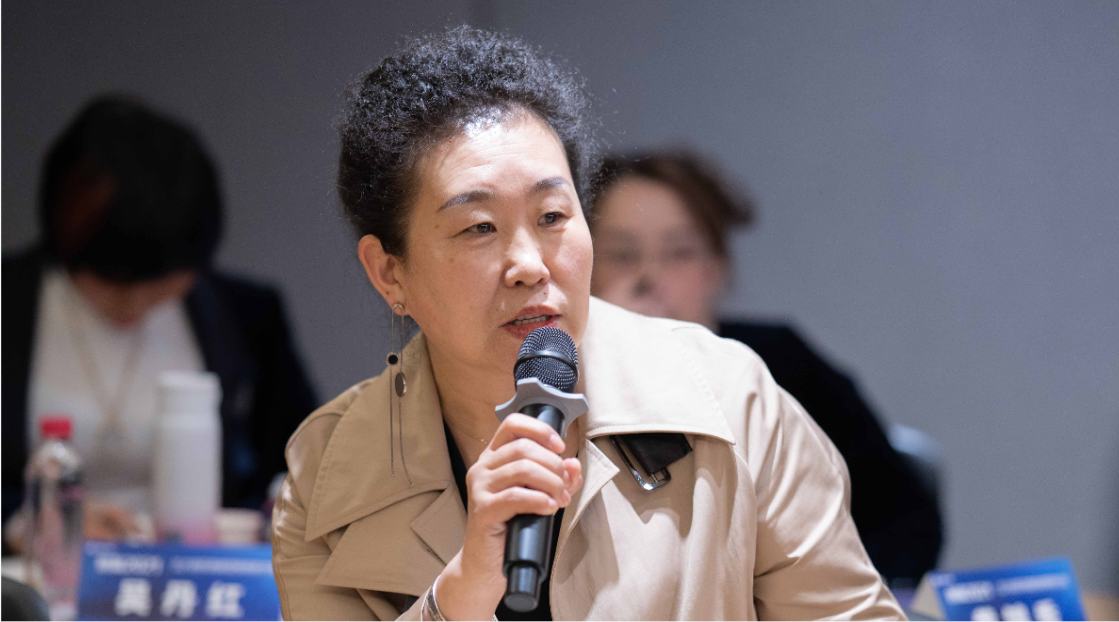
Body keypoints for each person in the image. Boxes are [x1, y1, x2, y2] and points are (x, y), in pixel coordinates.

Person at [271, 26, 904, 620]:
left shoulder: (732, 401)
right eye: (479, 228)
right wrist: (460, 593)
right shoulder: (328, 471)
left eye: (552, 216)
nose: (529, 264)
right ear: (390, 273)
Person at [590, 150, 943, 584]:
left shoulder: (781, 365)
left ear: (717, 268)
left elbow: (901, 518)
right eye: (623, 255)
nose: (650, 276)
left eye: (679, 253)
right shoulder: (562, 381)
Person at [2, 96, 318, 544]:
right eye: (114, 285)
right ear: (66, 239)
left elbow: (305, 459)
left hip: (200, 568)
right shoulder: (14, 302)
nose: (135, 308)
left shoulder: (246, 315)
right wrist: (22, 521)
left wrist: (270, 512)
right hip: (39, 572)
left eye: (159, 291)